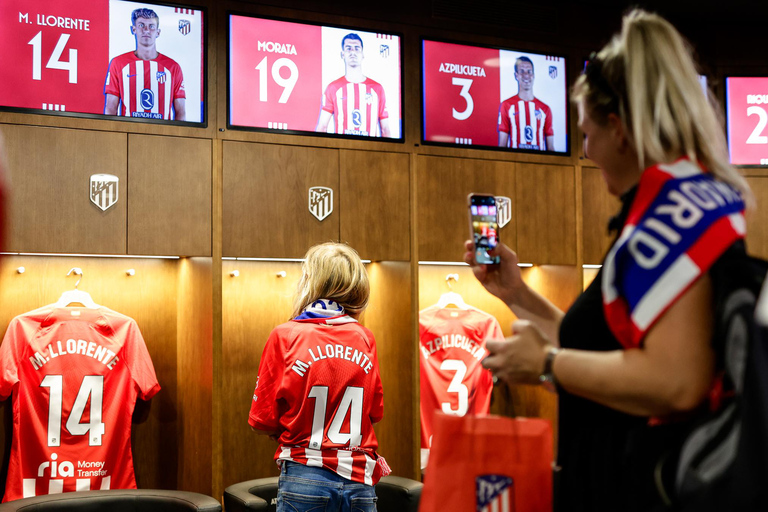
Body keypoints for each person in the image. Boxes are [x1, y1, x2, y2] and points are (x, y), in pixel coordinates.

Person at [468, 9, 753, 512]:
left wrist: (549, 365)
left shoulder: (673, 214)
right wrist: (516, 294)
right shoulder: (672, 204)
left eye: (586, 133)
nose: (586, 150)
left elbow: (675, 380)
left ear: (618, 129)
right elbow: (602, 349)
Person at [248, 242, 390, 512]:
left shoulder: (286, 335)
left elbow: (260, 422)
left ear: (310, 283)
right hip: (360, 482)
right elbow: (374, 413)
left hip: (305, 476)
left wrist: (296, 424)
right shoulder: (364, 337)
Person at [104, 7, 186, 121]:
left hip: (162, 135)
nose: (146, 30)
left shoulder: (173, 67)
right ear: (133, 29)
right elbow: (110, 108)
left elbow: (181, 112)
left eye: (151, 26)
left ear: (158, 32)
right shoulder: (118, 63)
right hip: (128, 134)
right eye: (141, 25)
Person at [315, 33, 391, 137]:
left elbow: (385, 129)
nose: (353, 52)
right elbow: (322, 126)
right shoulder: (333, 88)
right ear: (342, 54)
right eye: (348, 48)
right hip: (341, 149)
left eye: (356, 48)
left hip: (371, 150)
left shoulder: (377, 89)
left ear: (362, 54)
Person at [498, 56, 554, 151]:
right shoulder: (506, 105)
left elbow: (551, 148)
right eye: (522, 71)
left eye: (529, 71)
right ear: (516, 75)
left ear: (534, 75)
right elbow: (502, 146)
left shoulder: (545, 109)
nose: (526, 75)